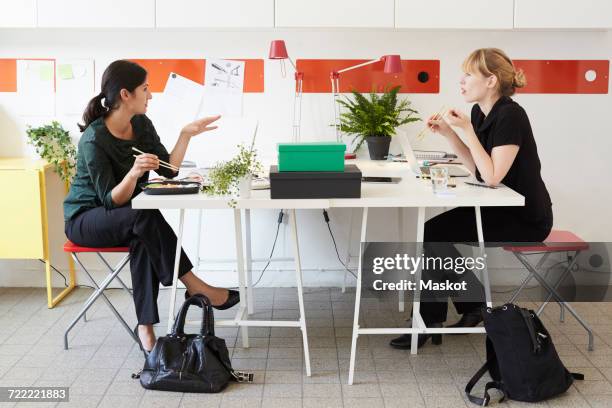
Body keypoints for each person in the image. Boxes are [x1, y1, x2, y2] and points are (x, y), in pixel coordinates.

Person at [64, 60, 239, 354]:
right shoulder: (94, 139)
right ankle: (195, 285)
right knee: (142, 216)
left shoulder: (142, 125)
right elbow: (111, 200)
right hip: (87, 219)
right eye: (145, 88)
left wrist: (185, 134)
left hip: (129, 219)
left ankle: (146, 328)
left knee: (142, 235)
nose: (151, 94)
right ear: (125, 94)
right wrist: (133, 173)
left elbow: (169, 169)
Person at [390, 48, 553, 349]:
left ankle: (434, 319)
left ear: (491, 80)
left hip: (525, 217)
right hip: (499, 207)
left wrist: (466, 129)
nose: (461, 82)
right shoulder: (481, 112)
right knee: (432, 233)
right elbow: (479, 170)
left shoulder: (511, 115)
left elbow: (492, 176)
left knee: (433, 233)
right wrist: (450, 135)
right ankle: (455, 311)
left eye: (468, 75)